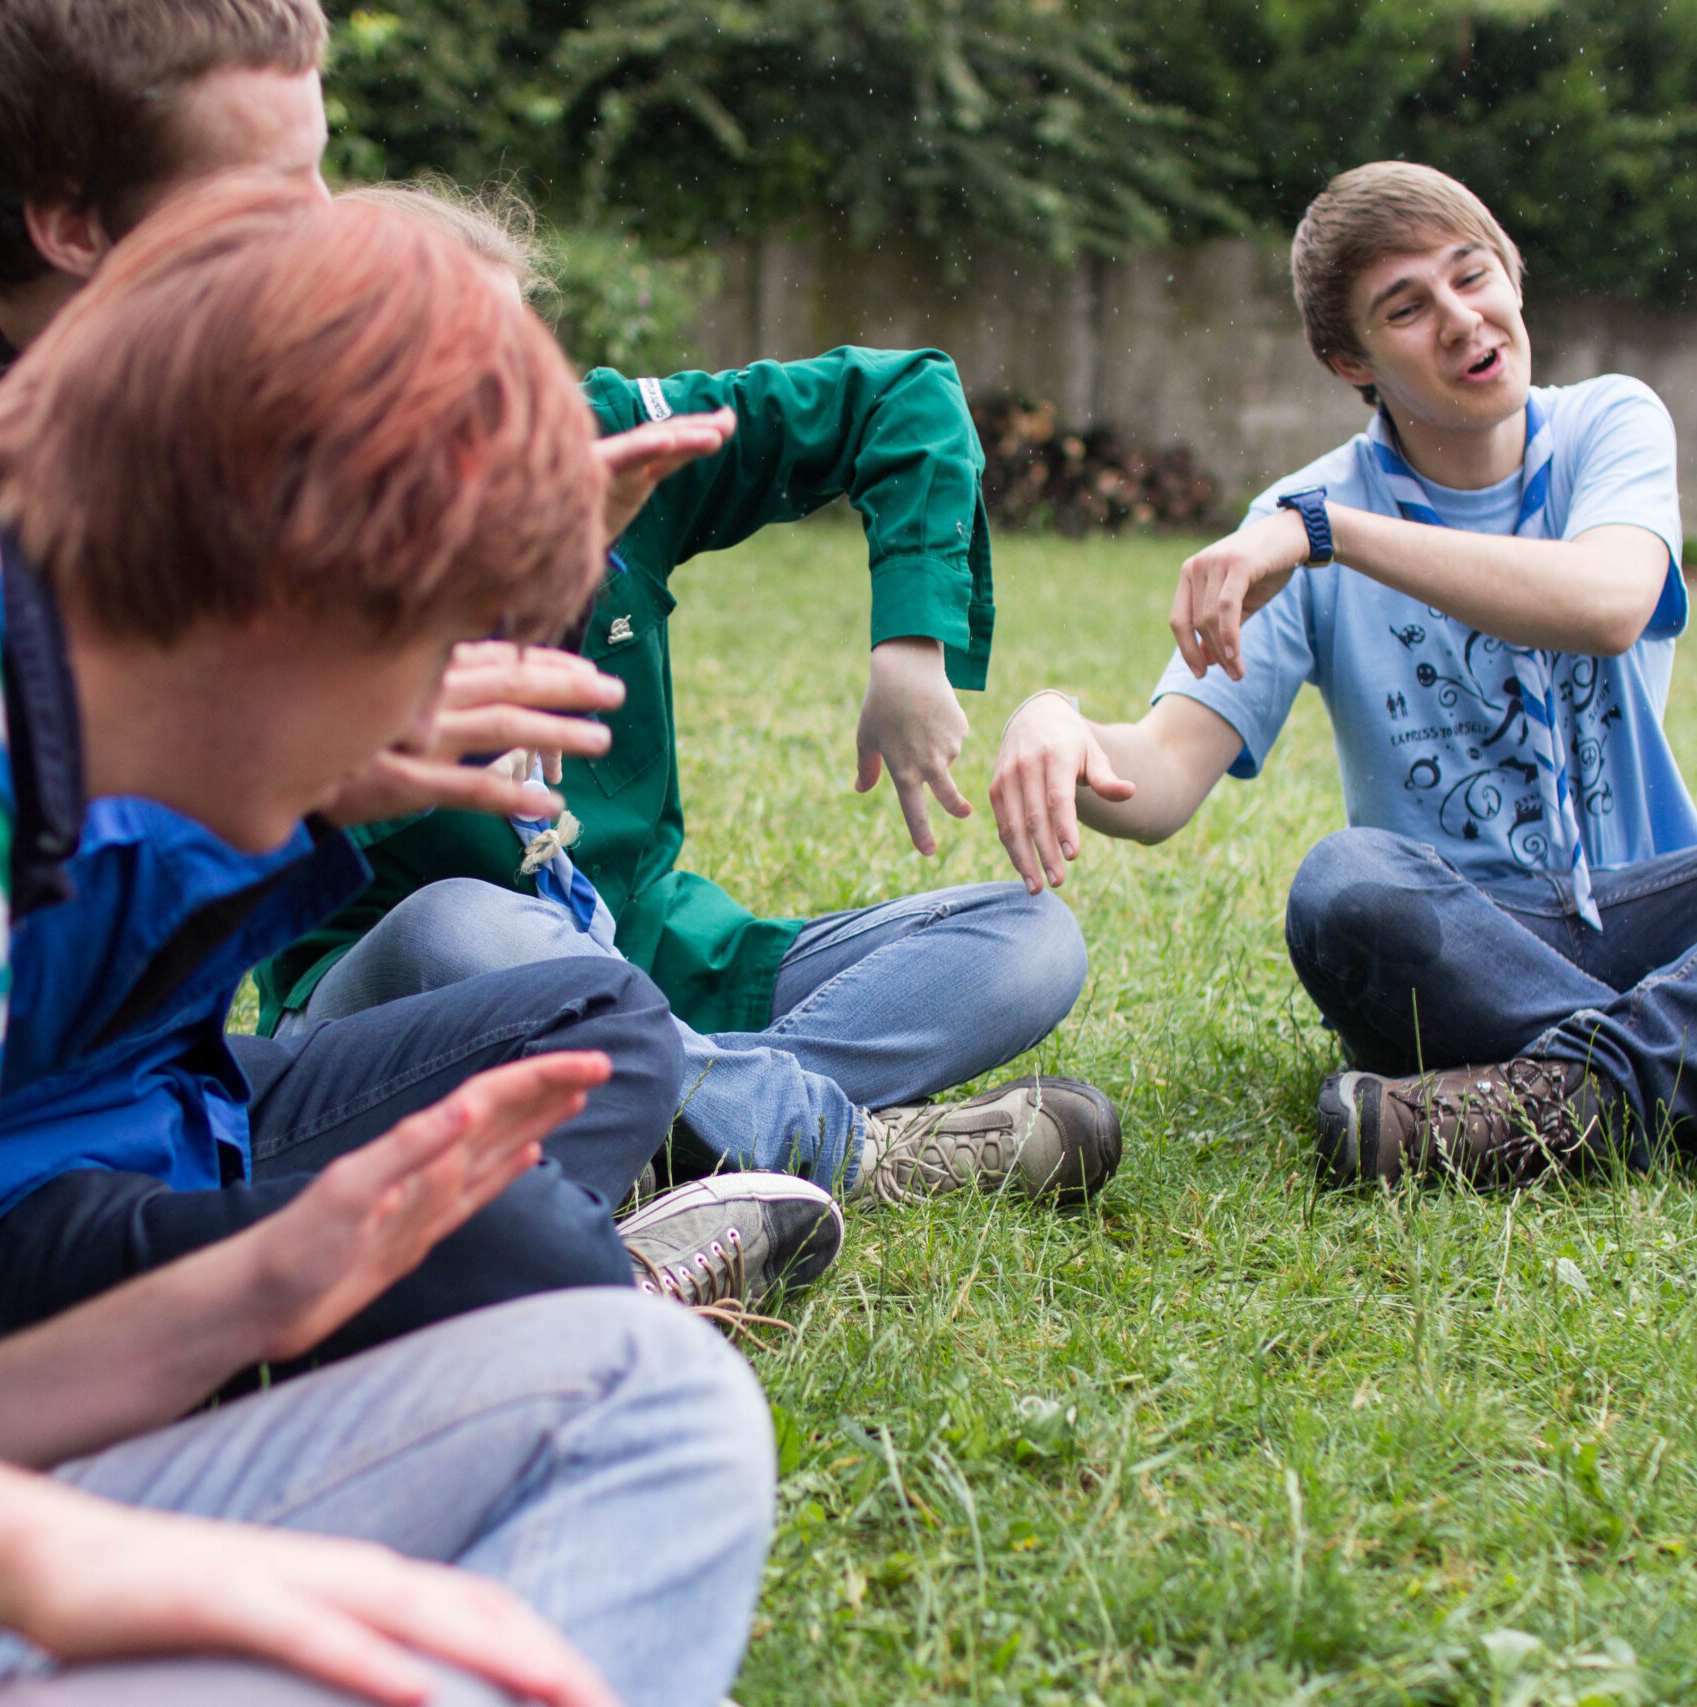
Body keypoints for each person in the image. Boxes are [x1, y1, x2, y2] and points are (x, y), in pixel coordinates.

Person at [0, 179, 771, 1707]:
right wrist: (64, 1564)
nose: (433, 723)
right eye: (435, 649)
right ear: (292, 592)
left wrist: (264, 1288)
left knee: (648, 1397)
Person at [0, 0, 842, 1333]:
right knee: (516, 1249)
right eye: (273, 191)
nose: (331, 225)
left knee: (589, 1021)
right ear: (73, 224)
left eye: (324, 167)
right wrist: (296, 794)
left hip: (177, 1099)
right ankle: (574, 1279)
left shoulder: (145, 423)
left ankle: (534, 1266)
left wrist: (456, 628)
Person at [988, 161, 1697, 1188]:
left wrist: (1328, 535)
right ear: (1350, 359)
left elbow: (1608, 604)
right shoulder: (1298, 522)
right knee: (1344, 884)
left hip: (1657, 916)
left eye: (1473, 277)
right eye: (1406, 307)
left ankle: (1573, 1096)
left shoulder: (1604, 425)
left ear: (1513, 277)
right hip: (1461, 944)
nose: (1461, 319)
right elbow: (1161, 777)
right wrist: (1054, 722)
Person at [254, 183, 1124, 1213]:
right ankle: (842, 1148)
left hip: (651, 955)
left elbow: (898, 396)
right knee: (460, 920)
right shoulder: (275, 556)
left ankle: (674, 1113)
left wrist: (909, 642)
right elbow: (254, 825)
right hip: (400, 1003)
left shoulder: (600, 448)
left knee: (1028, 943)